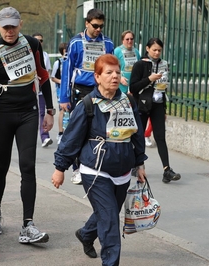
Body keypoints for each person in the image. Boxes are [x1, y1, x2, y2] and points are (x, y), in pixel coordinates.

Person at [52, 54, 147, 265]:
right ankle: (110, 262)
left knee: (108, 211)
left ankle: (86, 234)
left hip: (122, 171)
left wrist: (139, 163)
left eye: (117, 73)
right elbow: (71, 139)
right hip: (96, 171)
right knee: (111, 220)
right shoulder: (87, 104)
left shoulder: (128, 101)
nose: (114, 77)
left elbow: (137, 134)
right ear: (97, 77)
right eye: (108, 73)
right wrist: (60, 168)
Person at [0, 7, 54, 244]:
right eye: (5, 26)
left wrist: (49, 110)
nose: (10, 30)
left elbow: (43, 76)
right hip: (2, 113)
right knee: (1, 166)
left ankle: (28, 224)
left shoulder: (32, 44)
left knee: (28, 166)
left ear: (20, 25)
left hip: (28, 112)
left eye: (13, 26)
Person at [60, 8, 114, 184]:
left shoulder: (108, 43)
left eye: (101, 26)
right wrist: (64, 98)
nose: (98, 30)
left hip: (102, 90)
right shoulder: (75, 42)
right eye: (95, 26)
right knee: (79, 128)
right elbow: (67, 71)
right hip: (81, 90)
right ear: (87, 23)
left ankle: (99, 163)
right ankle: (76, 168)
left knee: (101, 128)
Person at [130, 37, 181, 184]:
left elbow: (163, 87)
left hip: (158, 104)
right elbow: (133, 87)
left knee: (160, 137)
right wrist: (149, 79)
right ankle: (138, 165)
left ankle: (167, 170)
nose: (157, 53)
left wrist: (164, 108)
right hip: (143, 104)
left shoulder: (164, 64)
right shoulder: (140, 64)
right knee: (139, 136)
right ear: (147, 49)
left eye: (159, 50)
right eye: (154, 50)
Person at [32, 33, 53, 148]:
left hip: (40, 90)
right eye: (36, 40)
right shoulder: (27, 55)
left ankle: (45, 136)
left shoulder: (45, 55)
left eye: (41, 40)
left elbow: (47, 74)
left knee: (41, 113)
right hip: (30, 91)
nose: (39, 42)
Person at [50, 42, 67, 144]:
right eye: (65, 51)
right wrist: (61, 81)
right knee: (62, 110)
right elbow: (52, 77)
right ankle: (60, 133)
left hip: (71, 89)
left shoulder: (72, 61)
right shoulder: (58, 63)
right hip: (61, 89)